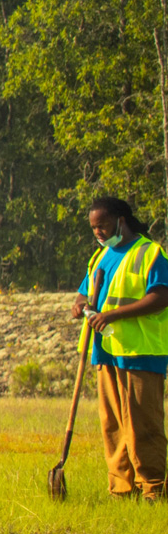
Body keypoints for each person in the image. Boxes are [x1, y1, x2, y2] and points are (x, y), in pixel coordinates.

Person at [75, 196, 168, 501]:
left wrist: (112, 315)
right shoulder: (100, 257)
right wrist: (80, 306)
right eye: (93, 228)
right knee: (112, 425)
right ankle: (121, 488)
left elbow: (160, 297)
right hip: (106, 351)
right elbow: (84, 293)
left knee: (144, 423)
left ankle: (153, 488)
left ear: (121, 220)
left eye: (101, 225)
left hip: (141, 352)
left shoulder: (149, 253)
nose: (98, 232)